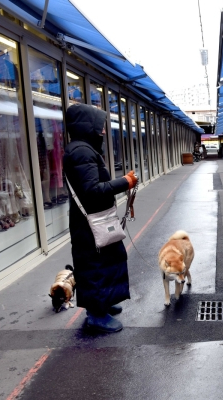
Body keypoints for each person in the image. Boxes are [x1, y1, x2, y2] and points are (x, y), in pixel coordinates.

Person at [63, 103, 138, 333]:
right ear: (87, 126)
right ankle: (96, 314)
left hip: (93, 221)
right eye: (100, 126)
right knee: (94, 266)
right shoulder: (81, 152)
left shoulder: (83, 149)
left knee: (108, 260)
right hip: (89, 225)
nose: (103, 131)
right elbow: (92, 191)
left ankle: (103, 302)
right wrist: (124, 182)